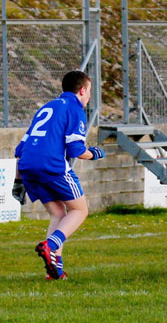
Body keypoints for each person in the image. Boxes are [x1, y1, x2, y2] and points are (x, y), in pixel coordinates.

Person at [12, 70, 106, 280]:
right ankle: (50, 245)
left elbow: (20, 149)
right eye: (89, 91)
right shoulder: (75, 108)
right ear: (82, 90)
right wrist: (95, 153)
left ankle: (56, 271)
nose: (90, 95)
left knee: (58, 213)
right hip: (51, 165)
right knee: (80, 210)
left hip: (27, 165)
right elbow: (75, 150)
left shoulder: (47, 107)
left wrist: (17, 182)